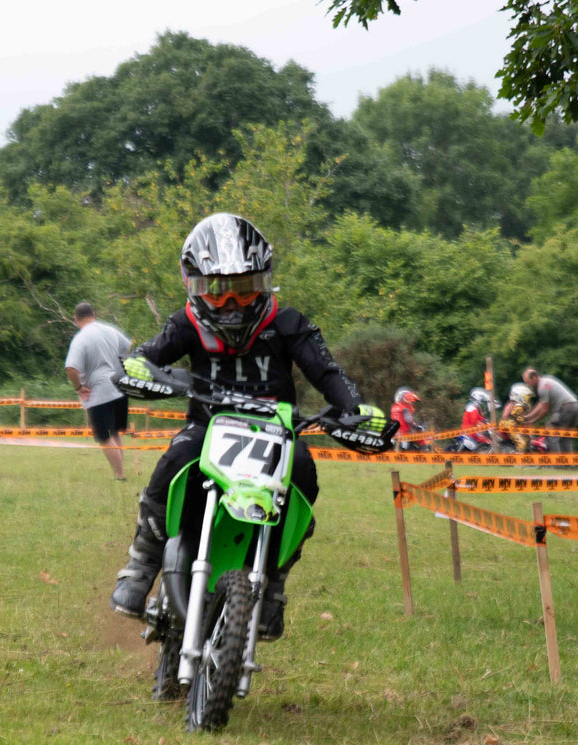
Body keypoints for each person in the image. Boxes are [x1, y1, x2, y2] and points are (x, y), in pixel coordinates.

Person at [110, 213, 384, 639]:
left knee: (306, 477)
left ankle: (273, 584)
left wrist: (355, 410)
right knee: (173, 461)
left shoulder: (288, 323)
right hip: (206, 429)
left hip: (276, 436)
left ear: (264, 283)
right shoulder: (186, 322)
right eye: (217, 292)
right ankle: (141, 564)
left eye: (244, 289)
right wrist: (142, 372)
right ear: (194, 285)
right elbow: (145, 357)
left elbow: (329, 374)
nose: (232, 303)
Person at [64, 302, 133, 480]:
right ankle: (120, 472)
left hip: (99, 392)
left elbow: (71, 368)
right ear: (93, 314)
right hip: (119, 387)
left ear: (75, 318)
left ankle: (120, 475)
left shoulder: (80, 338)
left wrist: (78, 388)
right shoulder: (109, 330)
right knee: (115, 432)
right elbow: (127, 346)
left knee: (103, 437)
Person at [521, 367, 578, 453]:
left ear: (534, 377)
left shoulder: (542, 388)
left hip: (565, 408)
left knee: (552, 435)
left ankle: (556, 464)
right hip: (575, 406)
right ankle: (569, 465)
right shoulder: (546, 380)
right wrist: (528, 417)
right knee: (566, 438)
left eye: (528, 382)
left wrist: (532, 421)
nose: (528, 385)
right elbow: (541, 404)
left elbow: (545, 410)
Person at [390, 386, 427, 451]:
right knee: (422, 440)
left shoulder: (394, 407)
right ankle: (424, 455)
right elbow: (408, 420)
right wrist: (417, 426)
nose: (412, 404)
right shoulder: (405, 409)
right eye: (411, 402)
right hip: (405, 433)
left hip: (395, 432)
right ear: (406, 401)